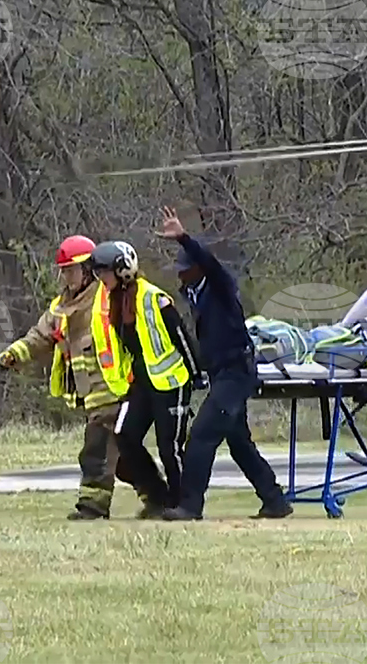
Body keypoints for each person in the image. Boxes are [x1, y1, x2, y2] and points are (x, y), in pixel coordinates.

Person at [154, 206, 292, 521]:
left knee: (201, 435)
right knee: (239, 443)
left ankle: (190, 506)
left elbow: (210, 263)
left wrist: (184, 238)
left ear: (197, 269)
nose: (180, 273)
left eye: (185, 268)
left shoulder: (220, 287)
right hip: (221, 375)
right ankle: (274, 500)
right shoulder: (195, 294)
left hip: (236, 373)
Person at [0, 235, 150, 521]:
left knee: (96, 450)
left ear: (88, 268)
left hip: (114, 392)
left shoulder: (106, 297)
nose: (66, 276)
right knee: (123, 459)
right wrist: (14, 354)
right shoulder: (61, 307)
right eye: (63, 271)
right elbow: (39, 336)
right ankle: (159, 497)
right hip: (90, 396)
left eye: (71, 270)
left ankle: (92, 507)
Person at [87, 239, 204, 516]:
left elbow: (182, 338)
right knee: (124, 436)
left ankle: (184, 503)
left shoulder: (154, 298)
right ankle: (157, 494)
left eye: (104, 272)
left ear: (122, 269)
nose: (100, 279)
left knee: (169, 446)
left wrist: (197, 374)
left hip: (170, 381)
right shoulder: (116, 303)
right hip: (140, 383)